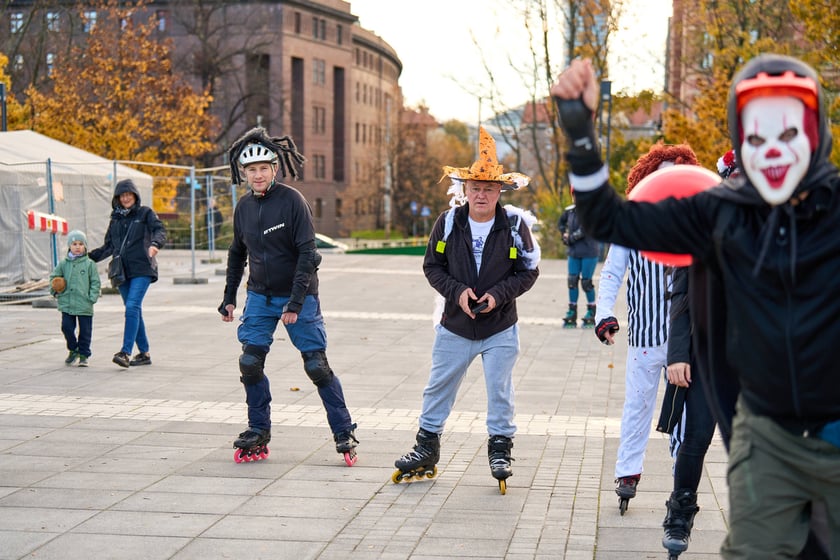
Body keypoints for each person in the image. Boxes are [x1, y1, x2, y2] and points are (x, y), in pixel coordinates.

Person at [552, 54, 840, 559]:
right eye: (757, 137)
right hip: (767, 434)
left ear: (815, 134)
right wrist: (580, 131)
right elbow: (610, 220)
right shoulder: (718, 213)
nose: (773, 151)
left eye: (788, 134)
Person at [392, 127, 540, 492]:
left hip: (500, 326)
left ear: (499, 191)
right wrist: (457, 293)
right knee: (438, 386)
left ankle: (500, 448)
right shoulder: (447, 223)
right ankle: (426, 447)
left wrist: (497, 295)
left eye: (489, 188)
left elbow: (529, 271)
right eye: (475, 187)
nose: (482, 194)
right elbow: (431, 267)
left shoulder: (516, 226)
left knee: (500, 389)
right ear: (465, 190)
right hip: (455, 325)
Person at [219, 126, 359, 465]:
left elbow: (307, 255)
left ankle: (343, 431)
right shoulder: (243, 209)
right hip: (259, 296)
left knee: (317, 366)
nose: (258, 175)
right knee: (249, 363)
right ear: (244, 173)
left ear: (275, 169)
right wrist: (229, 297)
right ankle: (258, 429)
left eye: (263, 168)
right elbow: (238, 253)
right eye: (251, 170)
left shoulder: (293, 201)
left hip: (300, 297)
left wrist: (295, 303)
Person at [593, 143, 698, 515]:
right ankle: (627, 473)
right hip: (645, 338)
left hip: (685, 342)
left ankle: (681, 476)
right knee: (637, 405)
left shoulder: (694, 225)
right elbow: (612, 273)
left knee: (684, 415)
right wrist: (604, 314)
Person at [89, 179, 166, 369]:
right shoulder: (115, 218)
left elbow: (159, 229)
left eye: (129, 195)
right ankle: (144, 353)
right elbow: (109, 246)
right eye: (122, 196)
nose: (126, 198)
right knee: (134, 310)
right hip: (121, 272)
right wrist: (86, 257)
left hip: (142, 268)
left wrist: (155, 245)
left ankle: (125, 352)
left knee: (132, 306)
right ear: (118, 198)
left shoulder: (145, 213)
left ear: (135, 196)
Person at [50, 230, 101, 367]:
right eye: (74, 244)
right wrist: (55, 290)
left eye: (80, 244)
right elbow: (53, 278)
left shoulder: (90, 264)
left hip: (84, 303)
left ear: (85, 246)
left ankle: (84, 354)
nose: (77, 247)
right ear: (69, 246)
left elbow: (95, 282)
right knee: (66, 327)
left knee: (85, 331)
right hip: (66, 302)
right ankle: (73, 349)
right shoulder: (63, 264)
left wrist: (92, 297)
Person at [557, 189, 599, 327]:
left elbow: (585, 230)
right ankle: (572, 311)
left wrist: (570, 238)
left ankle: (592, 311)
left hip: (589, 252)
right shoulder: (570, 211)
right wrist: (564, 233)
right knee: (572, 281)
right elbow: (561, 223)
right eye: (574, 195)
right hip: (574, 252)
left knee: (586, 282)